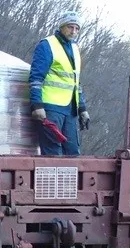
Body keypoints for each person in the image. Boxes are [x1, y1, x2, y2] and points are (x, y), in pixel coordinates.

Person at [29, 11, 91, 156]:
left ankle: (72, 180)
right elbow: (36, 78)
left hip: (70, 110)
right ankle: (53, 180)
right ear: (62, 26)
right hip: (50, 108)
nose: (74, 31)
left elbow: (75, 81)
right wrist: (36, 105)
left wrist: (82, 108)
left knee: (73, 153)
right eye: (70, 27)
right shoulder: (47, 45)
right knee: (53, 153)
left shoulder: (75, 49)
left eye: (77, 28)